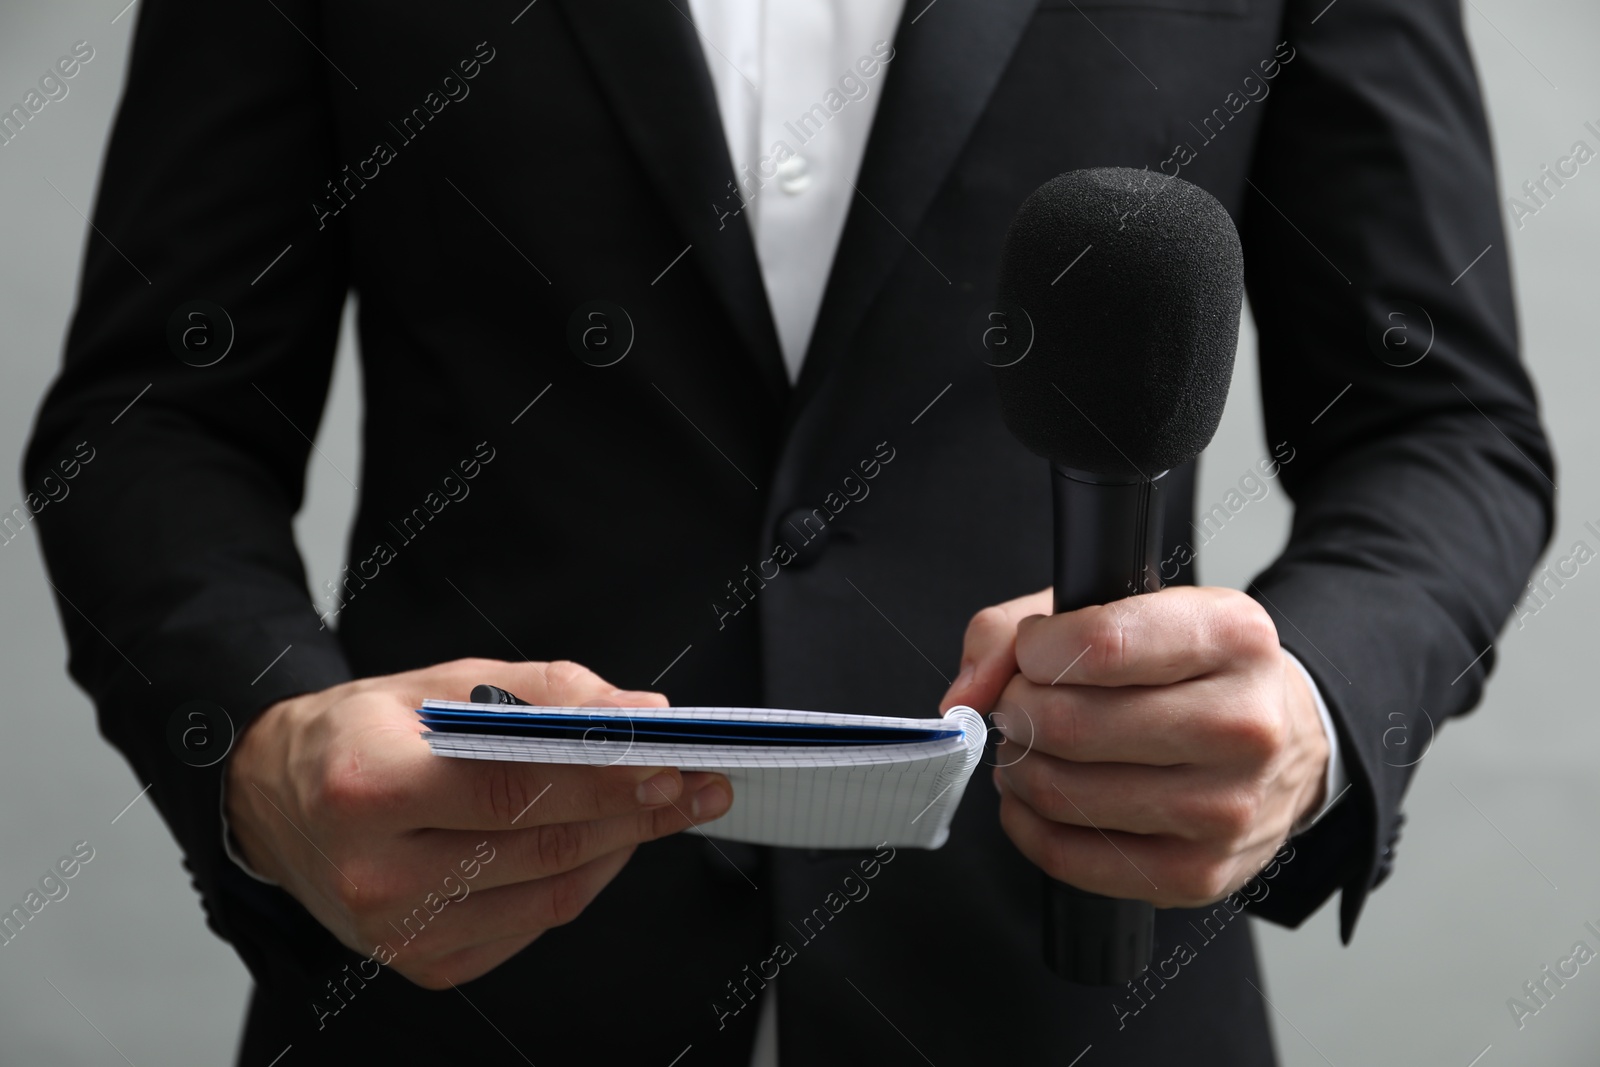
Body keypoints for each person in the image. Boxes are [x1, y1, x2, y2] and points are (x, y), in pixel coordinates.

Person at [25, 0, 1552, 1064]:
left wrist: (1315, 709)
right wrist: (270, 748)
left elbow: (1442, 424)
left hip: (1072, 997)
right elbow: (151, 418)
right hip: (463, 998)